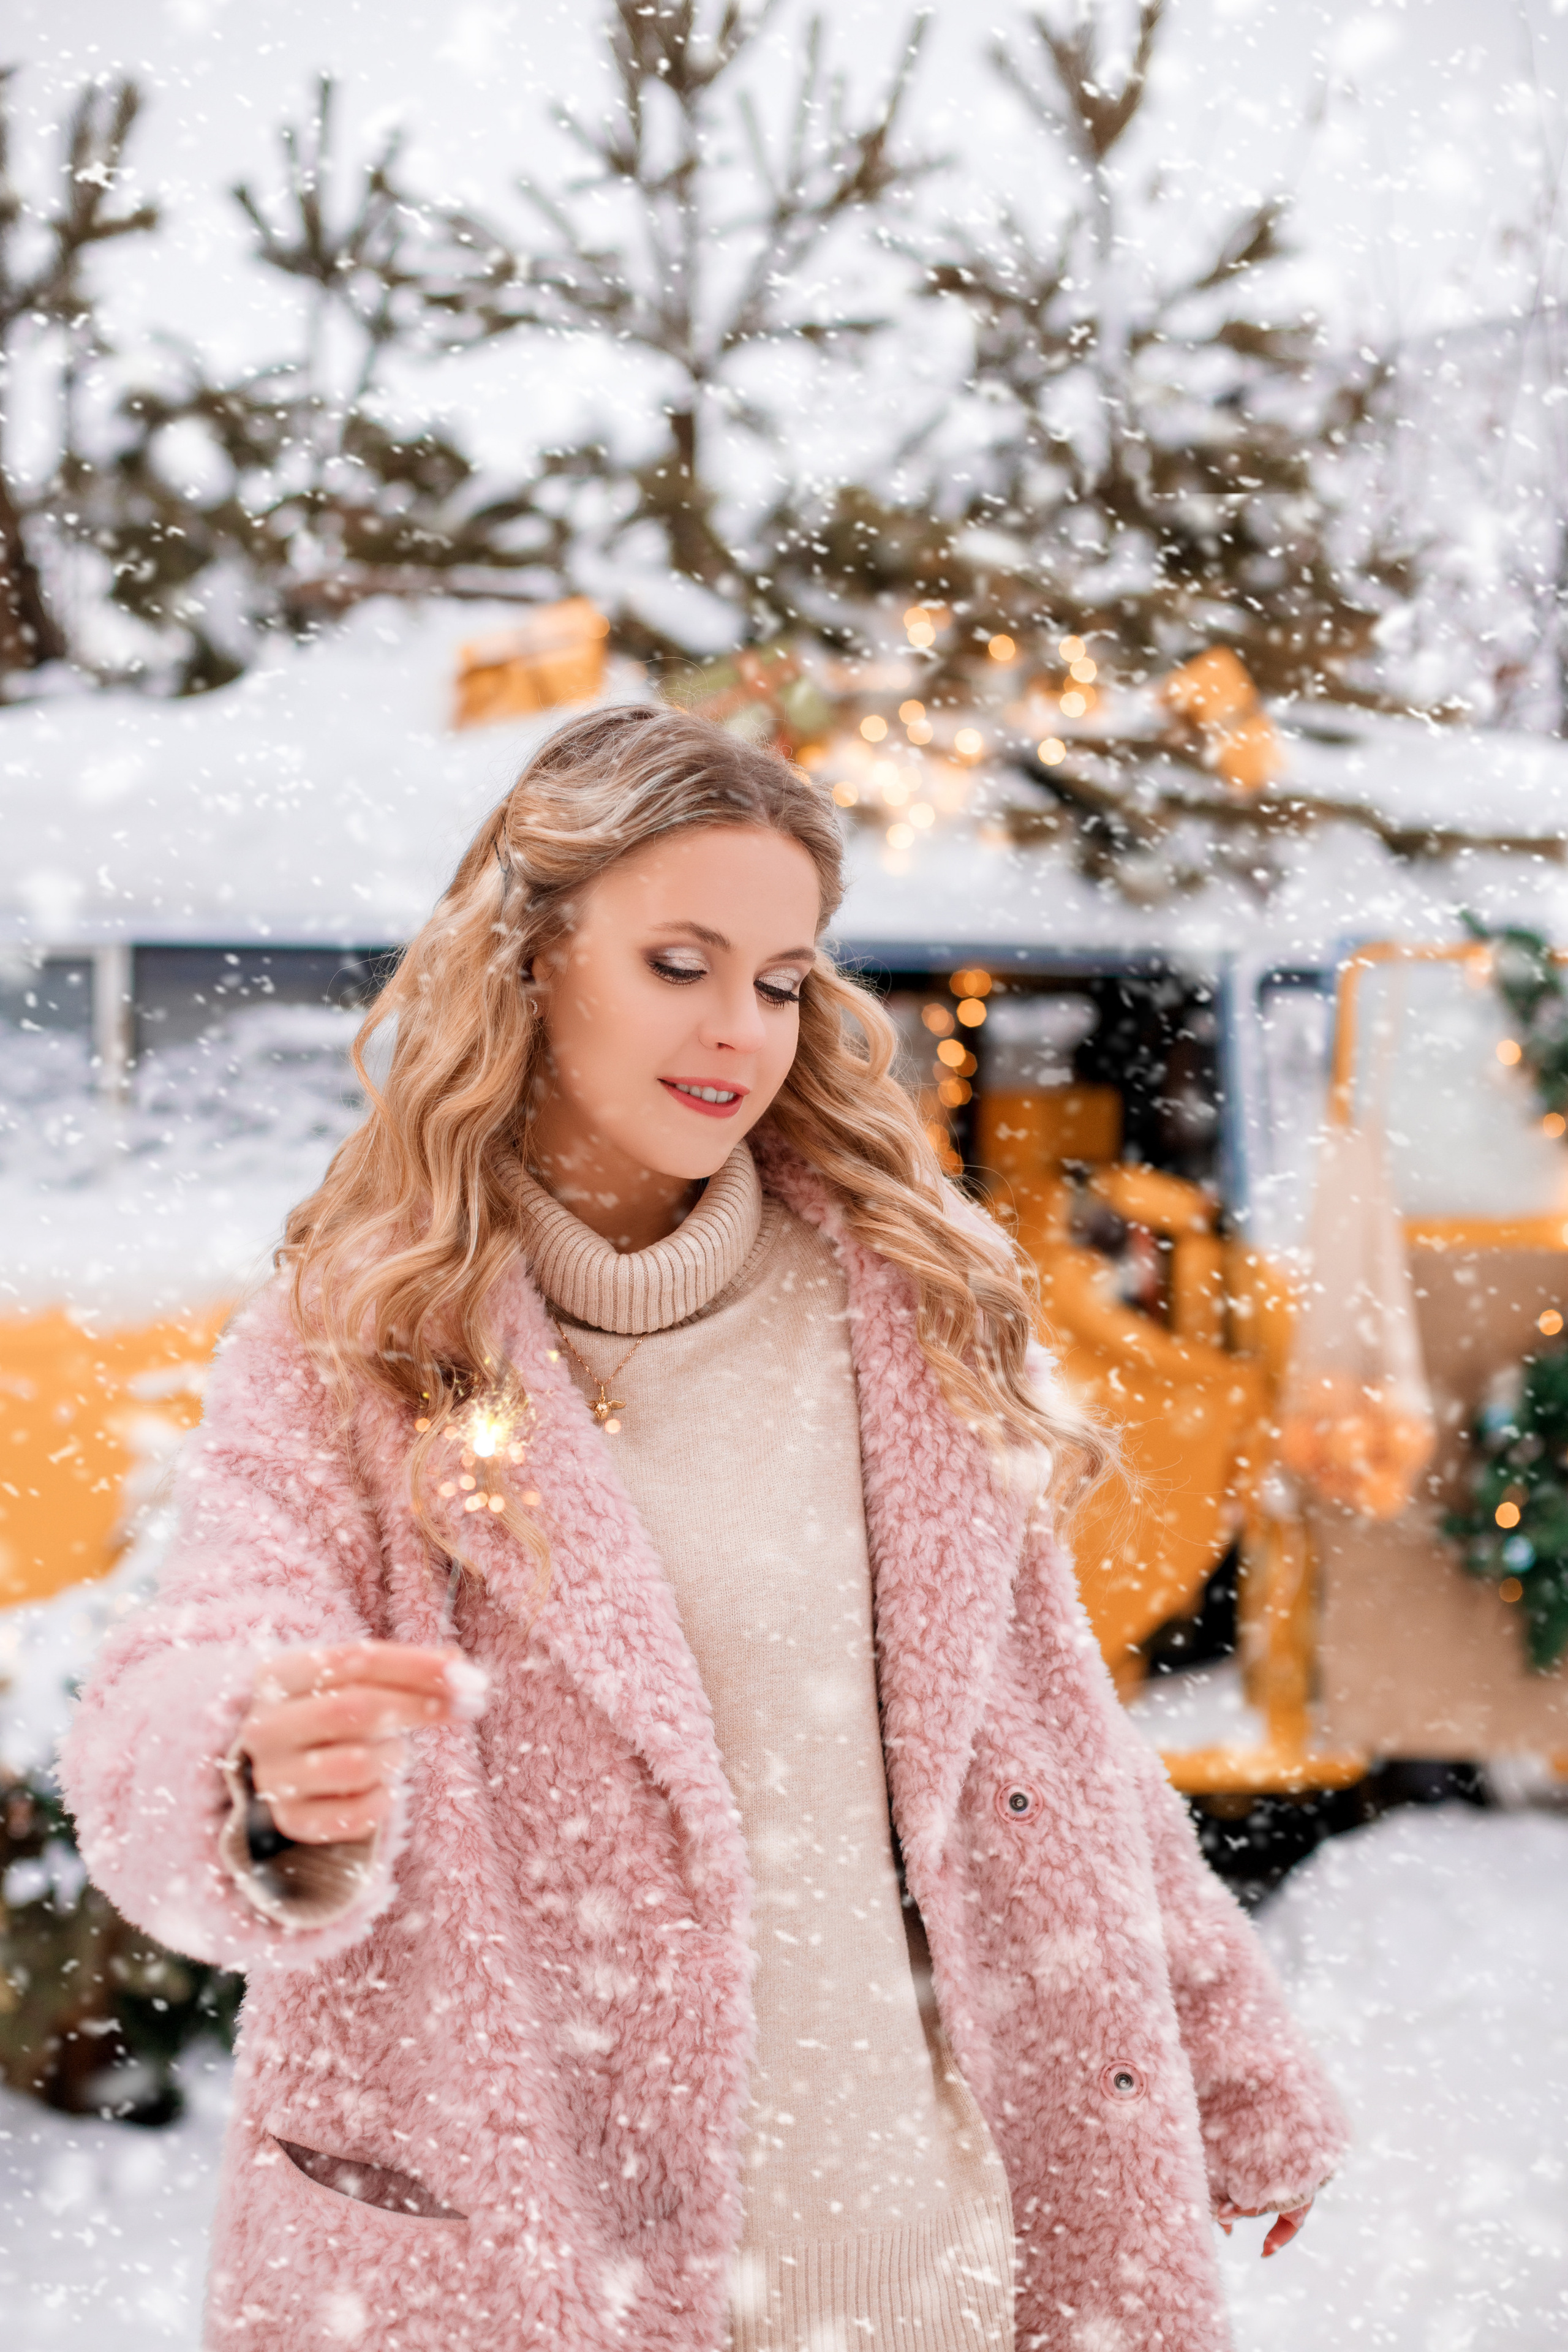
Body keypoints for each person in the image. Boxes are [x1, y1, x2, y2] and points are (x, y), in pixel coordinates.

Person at [62, 704, 1346, 2352]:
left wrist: (1232, 2068)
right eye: (680, 961)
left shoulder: (904, 1310)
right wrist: (254, 1768)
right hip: (528, 2277)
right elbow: (183, 1666)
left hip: (924, 2267)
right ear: (531, 961)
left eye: (781, 976)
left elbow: (1054, 1760)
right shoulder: (361, 1349)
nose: (738, 1026)